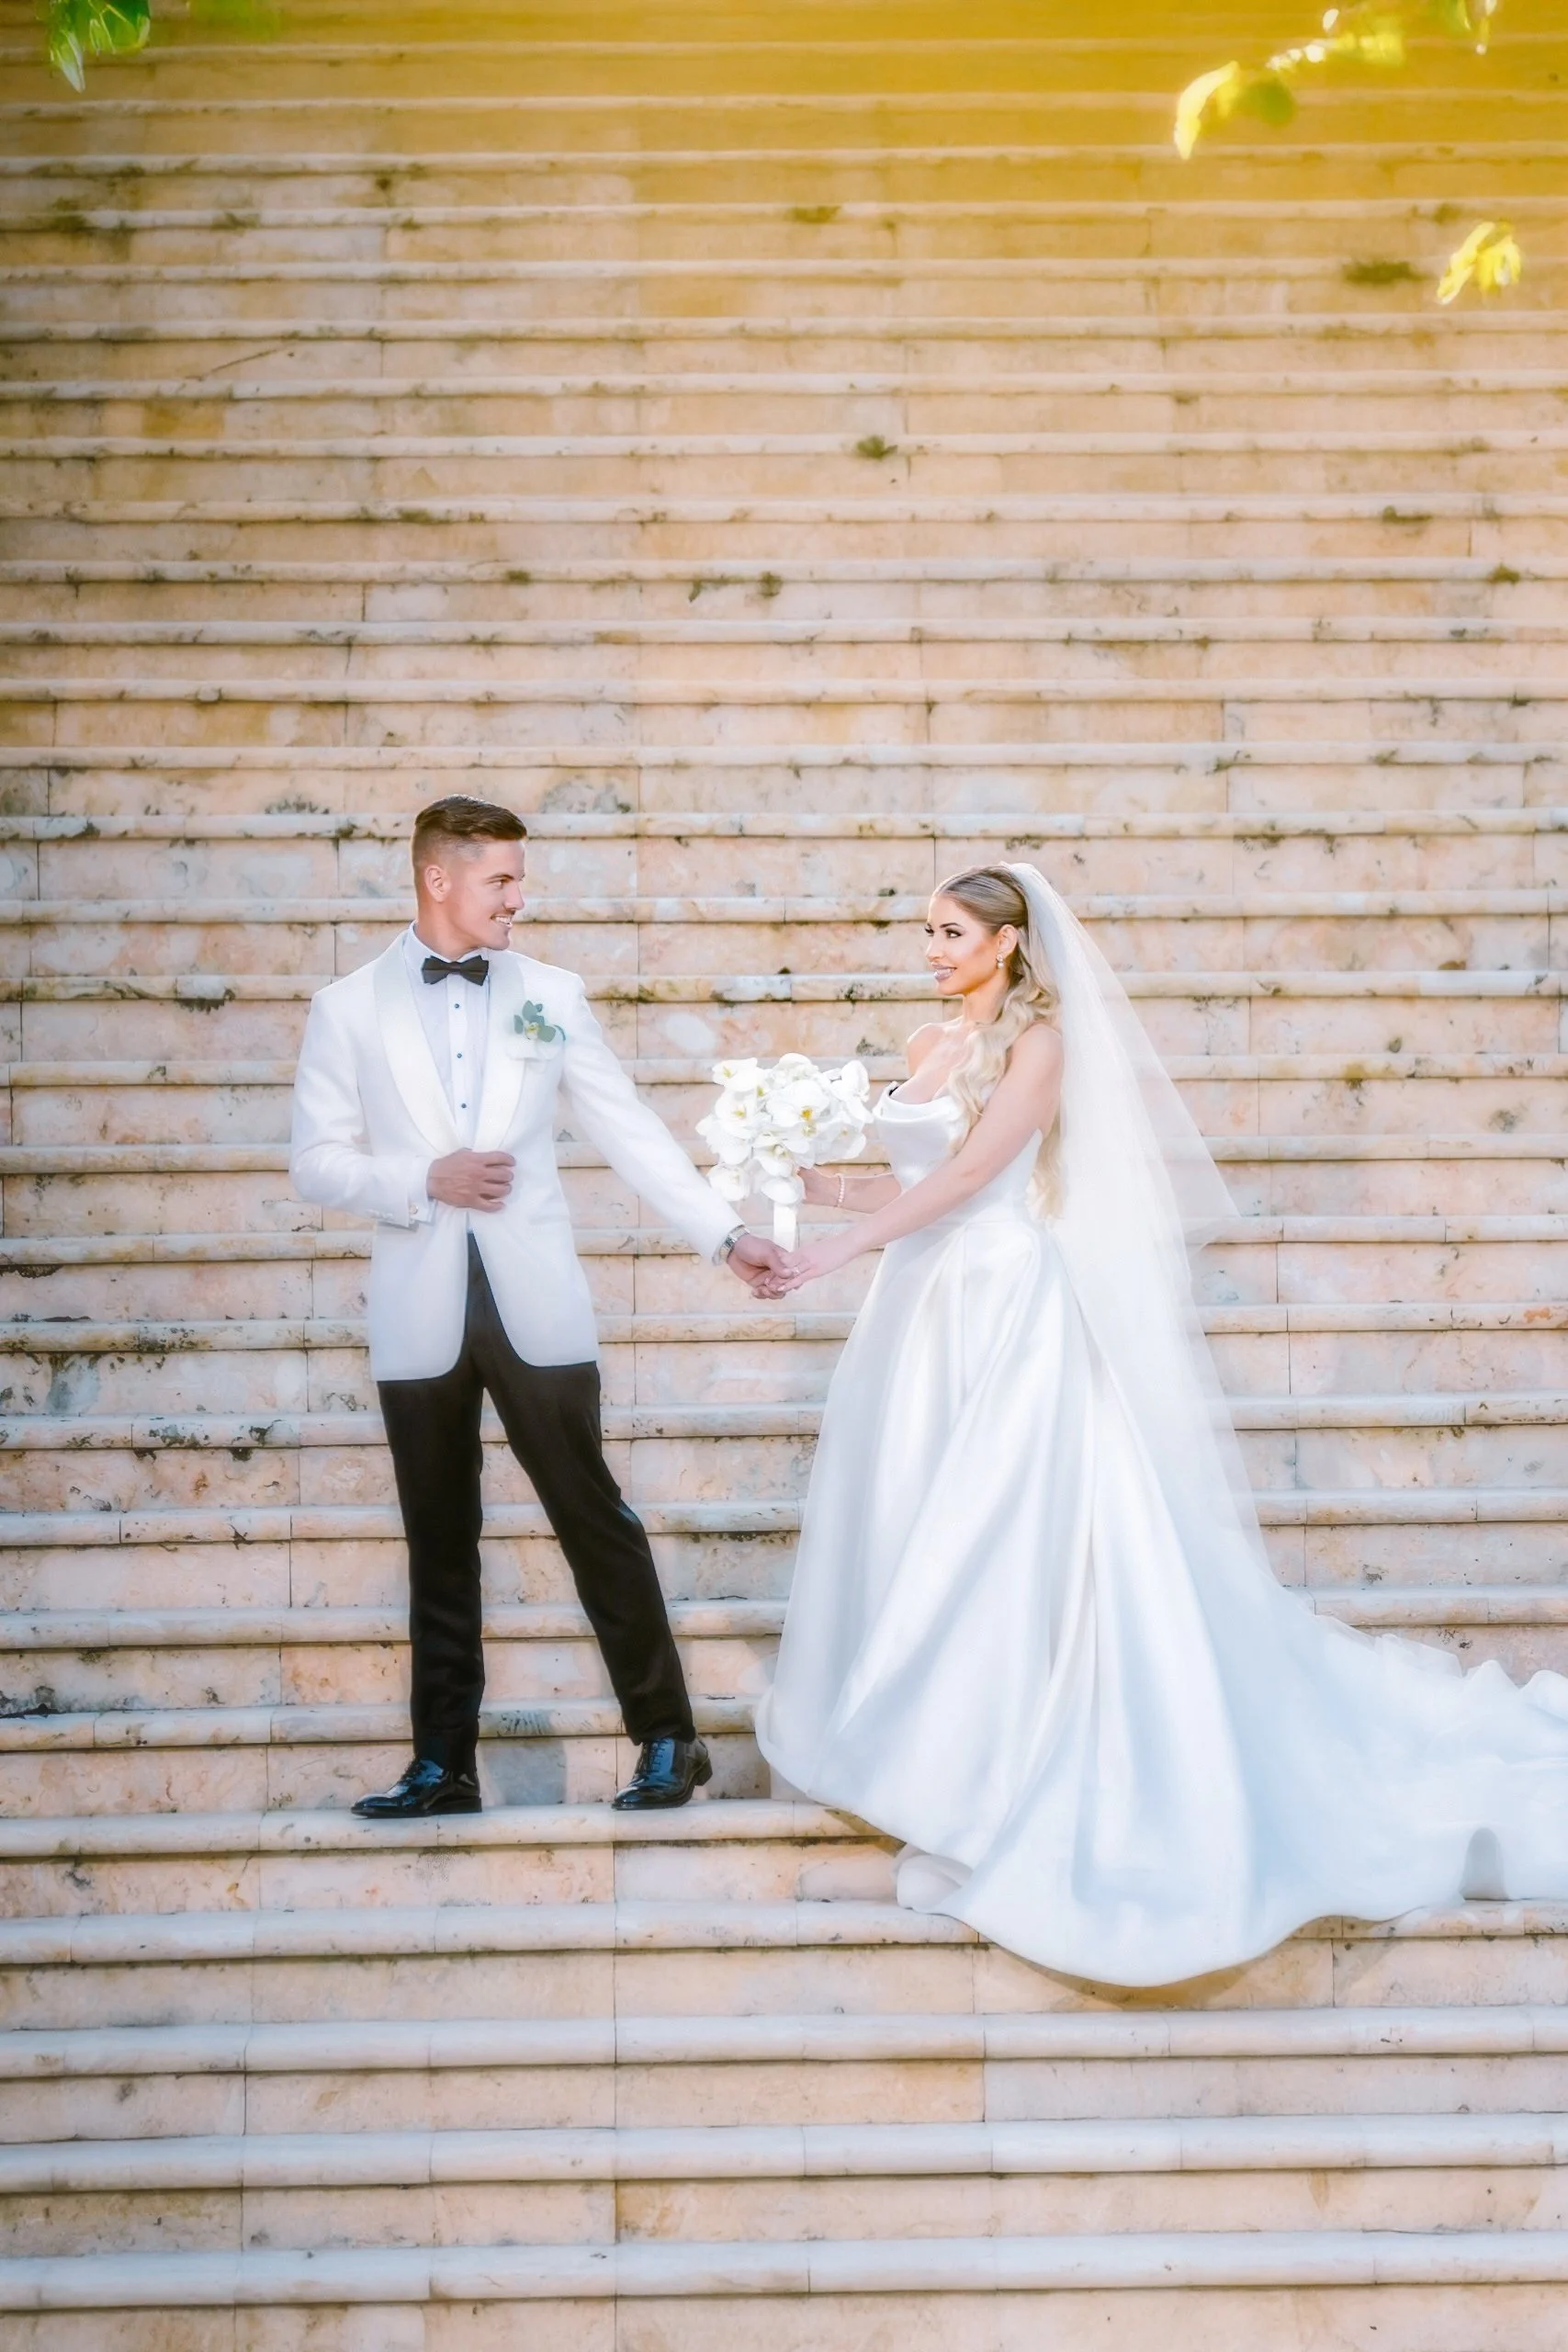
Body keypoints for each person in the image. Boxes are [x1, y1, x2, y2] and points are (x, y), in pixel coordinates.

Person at [752, 863, 1568, 1987]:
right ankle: (937, 1734)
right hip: (922, 1309)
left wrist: (839, 1249)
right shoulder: (925, 1044)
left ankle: (997, 1750)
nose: (932, 949)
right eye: (927, 931)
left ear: (1007, 940)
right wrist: (794, 1178)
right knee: (918, 1510)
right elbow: (915, 1177)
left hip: (1005, 1301)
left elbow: (983, 1172)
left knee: (1001, 1526)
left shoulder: (1042, 1046)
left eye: (951, 932)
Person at [289, 796, 787, 1818]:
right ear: (441, 880)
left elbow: (629, 1126)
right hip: (418, 1306)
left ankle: (666, 1738)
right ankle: (443, 1764)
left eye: (519, 878)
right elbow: (315, 1160)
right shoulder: (347, 1006)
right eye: (503, 879)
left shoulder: (550, 993)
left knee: (593, 1515)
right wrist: (423, 1177)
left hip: (536, 1299)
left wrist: (724, 1234)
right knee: (437, 1535)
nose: (521, 897)